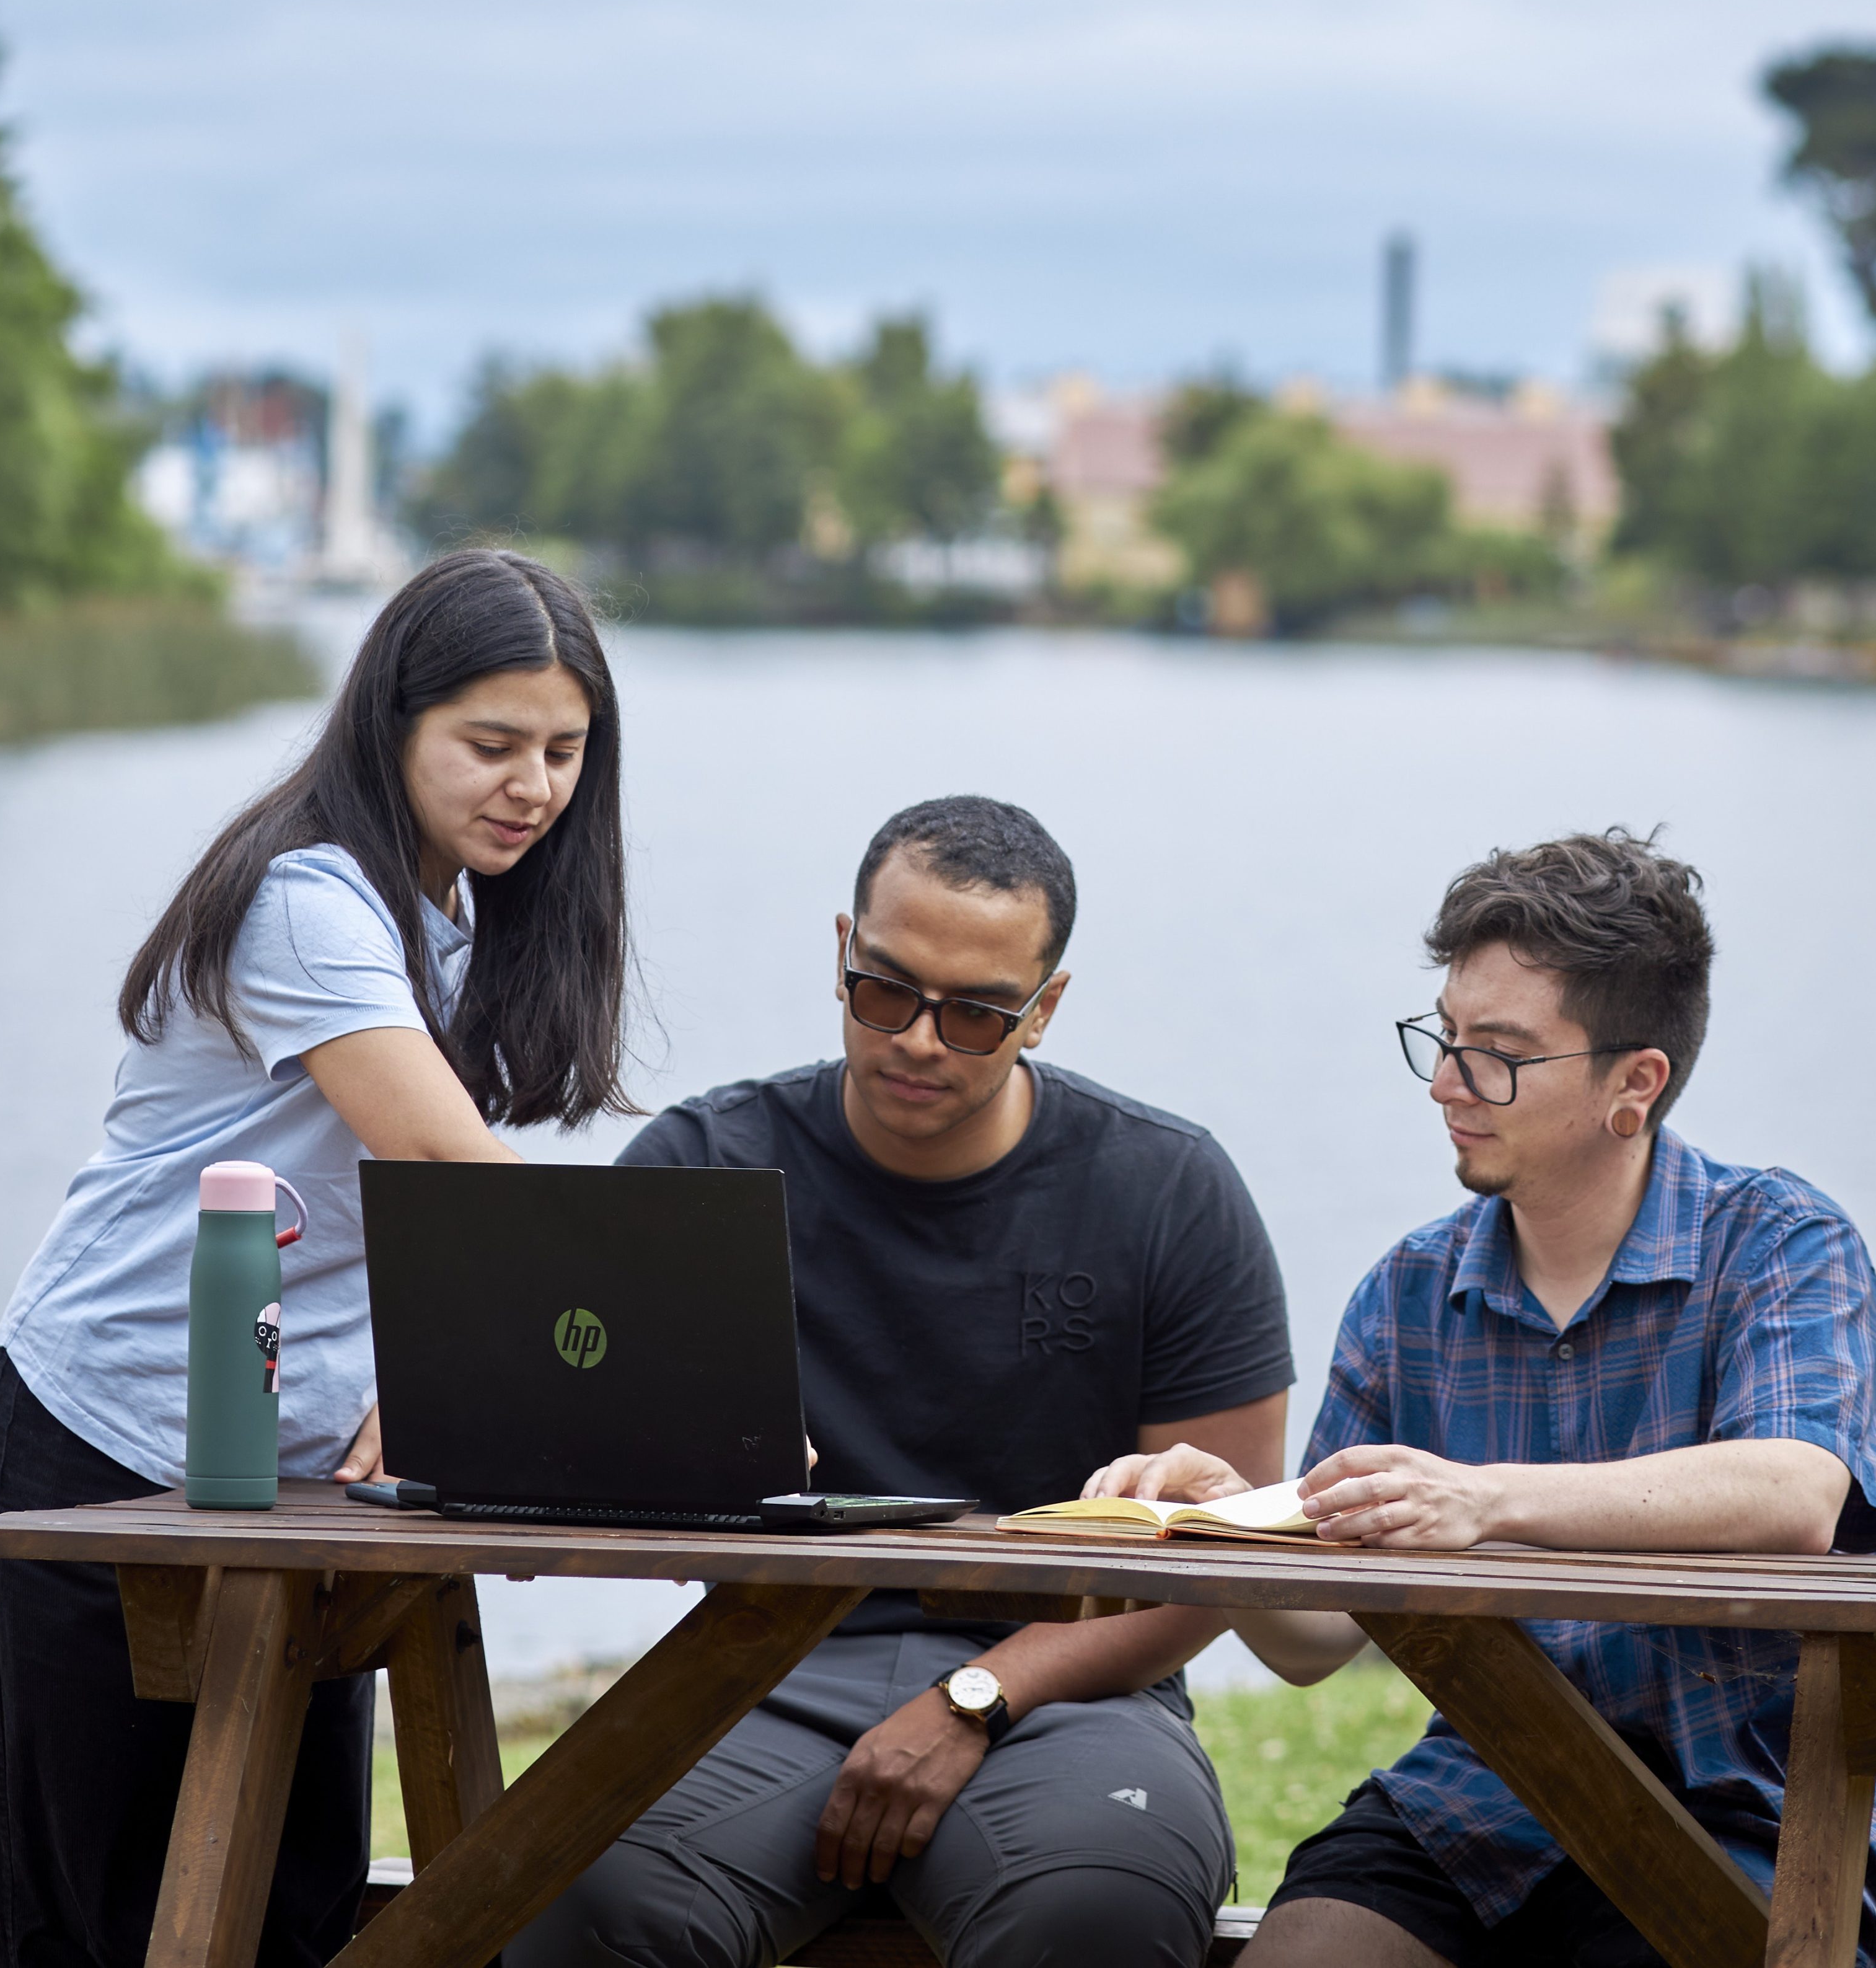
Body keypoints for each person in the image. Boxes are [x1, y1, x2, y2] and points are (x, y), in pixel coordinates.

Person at [0, 550, 635, 1967]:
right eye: (490, 745)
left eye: (564, 752)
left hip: (295, 1455)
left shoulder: (451, 909)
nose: (532, 787)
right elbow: (444, 1167)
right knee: (86, 1911)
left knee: (287, 1892)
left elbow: (396, 1212)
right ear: (391, 724)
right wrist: (652, 1335)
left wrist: (428, 1384)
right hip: (114, 1429)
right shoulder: (307, 902)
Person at [1088, 829, 1876, 1968]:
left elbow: (1797, 1490)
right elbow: (1315, 1639)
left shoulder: (1779, 1242)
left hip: (1747, 1800)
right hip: (1482, 1797)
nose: (1445, 1082)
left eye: (1499, 1054)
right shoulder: (1411, 1289)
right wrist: (1229, 1520)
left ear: (1636, 1084)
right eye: (1445, 1036)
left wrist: (1478, 1499)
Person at [509, 796, 1296, 1968]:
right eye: (886, 989)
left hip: (1077, 1689)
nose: (920, 1039)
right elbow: (561, 1433)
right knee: (576, 1897)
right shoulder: (703, 1167)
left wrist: (977, 1694)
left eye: (977, 1013)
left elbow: (1213, 1561)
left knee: (1094, 1916)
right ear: (842, 949)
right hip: (759, 1670)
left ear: (1046, 1009)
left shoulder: (1168, 1187)